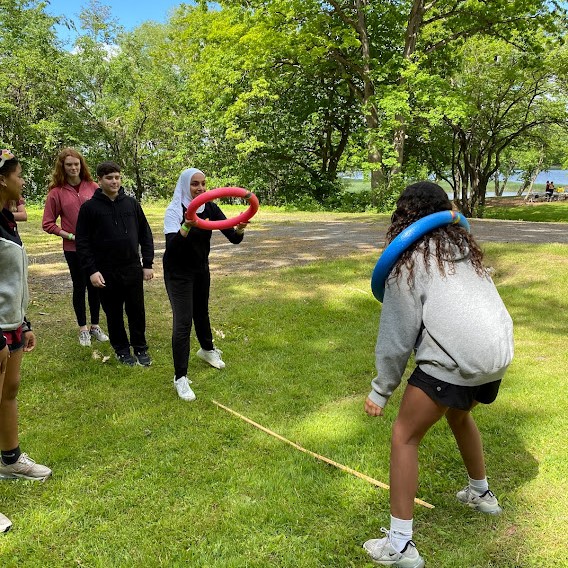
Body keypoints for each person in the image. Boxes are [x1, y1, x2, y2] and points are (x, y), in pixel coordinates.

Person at [362, 181, 513, 567]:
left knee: (404, 436)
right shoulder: (464, 249)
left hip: (457, 359)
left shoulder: (408, 264)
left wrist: (380, 390)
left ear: (403, 218)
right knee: (459, 414)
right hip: (495, 357)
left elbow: (396, 338)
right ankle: (481, 495)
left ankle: (400, 546)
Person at [163, 168, 248, 401]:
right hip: (177, 272)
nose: (200, 188)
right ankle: (180, 378)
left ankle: (207, 350)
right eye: (194, 184)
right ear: (184, 186)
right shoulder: (174, 210)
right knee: (183, 323)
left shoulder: (208, 206)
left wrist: (240, 226)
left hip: (200, 269)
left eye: (203, 183)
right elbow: (172, 249)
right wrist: (188, 225)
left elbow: (233, 237)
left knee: (201, 312)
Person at [0, 150, 52, 532]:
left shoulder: (8, 220)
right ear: (3, 179)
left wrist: (25, 320)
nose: (23, 182)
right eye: (19, 175)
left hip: (12, 323)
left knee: (9, 392)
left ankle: (10, 460)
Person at [75, 161, 154, 366]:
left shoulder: (131, 204)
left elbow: (145, 234)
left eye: (117, 177)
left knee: (137, 310)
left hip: (132, 268)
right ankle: (121, 349)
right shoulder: (89, 208)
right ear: (99, 180)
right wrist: (92, 271)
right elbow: (82, 243)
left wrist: (148, 263)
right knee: (114, 313)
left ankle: (140, 347)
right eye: (109, 178)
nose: (114, 181)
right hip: (106, 271)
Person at [42, 148, 108, 347]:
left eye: (76, 164)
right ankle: (83, 329)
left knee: (95, 285)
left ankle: (95, 326)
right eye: (69, 164)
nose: (73, 167)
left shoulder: (93, 186)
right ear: (62, 167)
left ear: (81, 165)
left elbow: (104, 212)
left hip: (96, 247)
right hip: (73, 249)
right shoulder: (56, 193)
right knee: (80, 286)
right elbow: (48, 223)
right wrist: (70, 236)